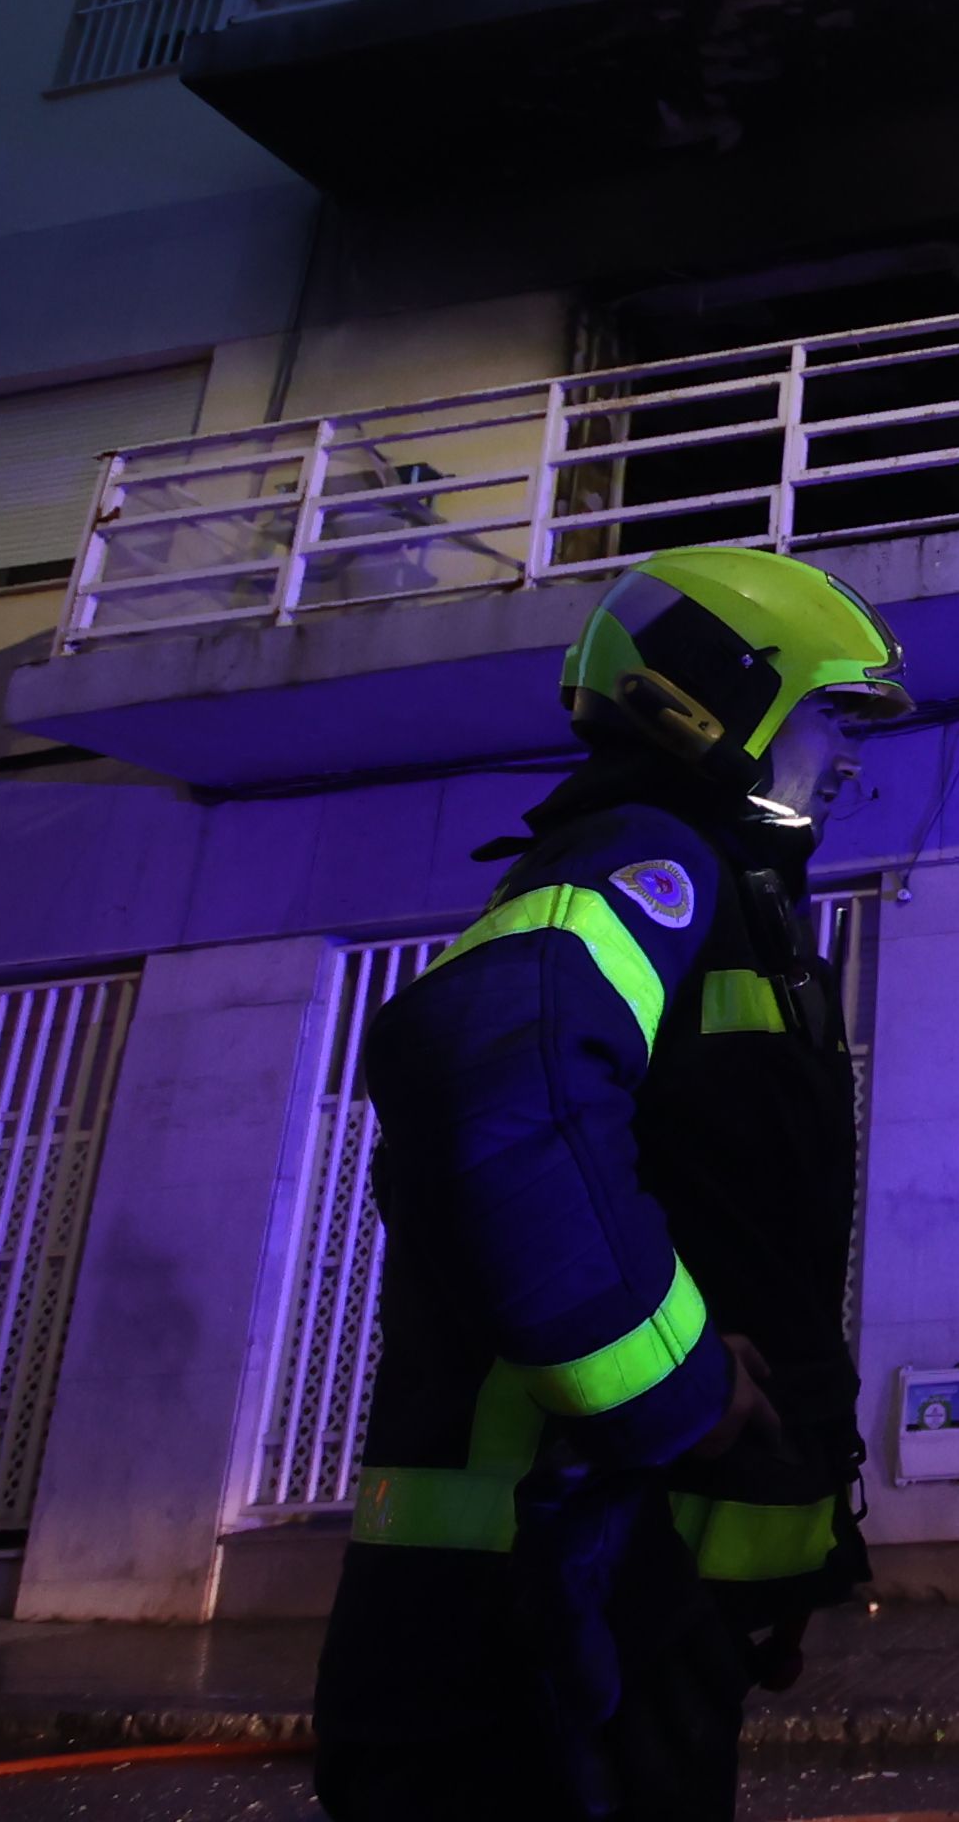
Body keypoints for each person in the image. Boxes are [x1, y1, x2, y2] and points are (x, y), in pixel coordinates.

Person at [313, 546, 909, 1821]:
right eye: (823, 717)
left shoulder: (726, 904)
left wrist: (780, 1554)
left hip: (621, 1600)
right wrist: (678, 1395)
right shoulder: (647, 859)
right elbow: (493, 1089)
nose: (847, 761)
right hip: (524, 1616)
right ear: (716, 701)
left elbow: (737, 1229)